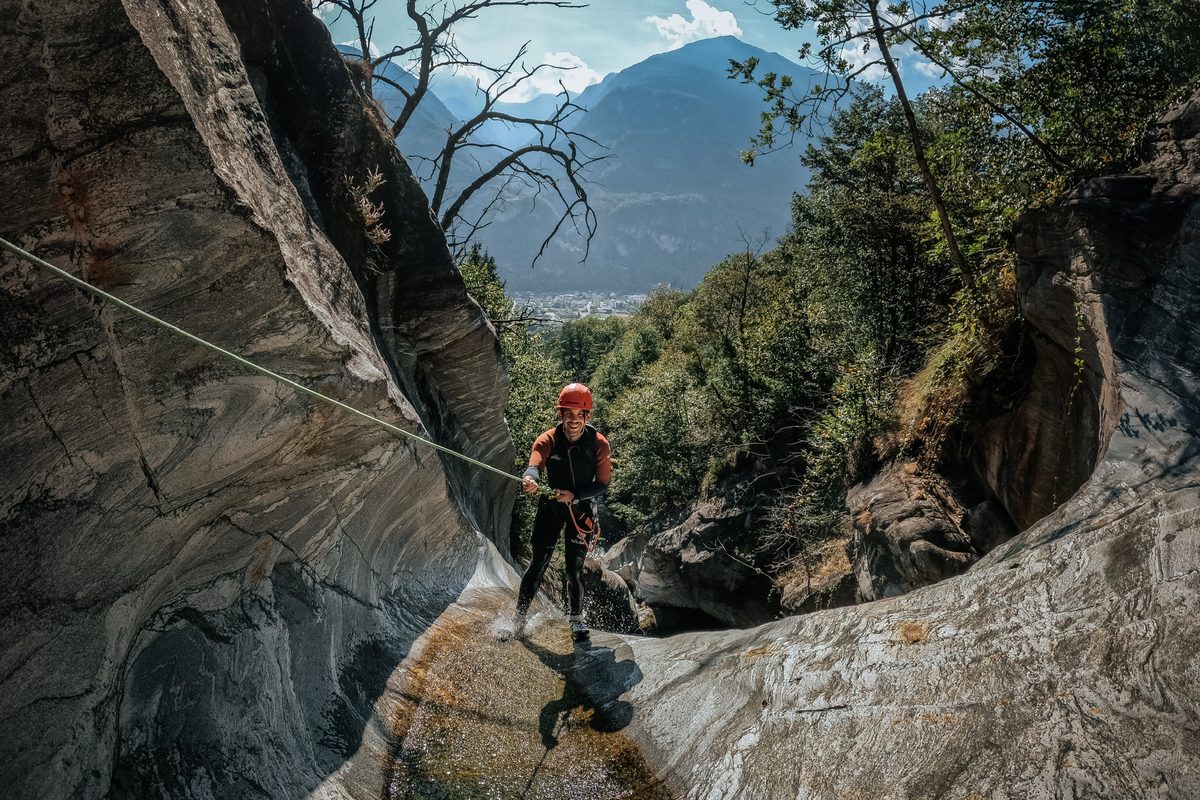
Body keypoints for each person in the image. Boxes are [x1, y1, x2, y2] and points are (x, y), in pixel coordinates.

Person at [510, 382, 611, 642]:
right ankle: (518, 620)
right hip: (552, 507)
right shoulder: (549, 439)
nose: (574, 420)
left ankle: (576, 620)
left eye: (580, 415)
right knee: (538, 564)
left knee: (573, 570)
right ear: (561, 414)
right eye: (569, 413)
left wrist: (575, 495)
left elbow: (602, 483)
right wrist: (530, 479)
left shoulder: (598, 444)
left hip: (580, 510)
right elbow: (535, 464)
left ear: (587, 417)